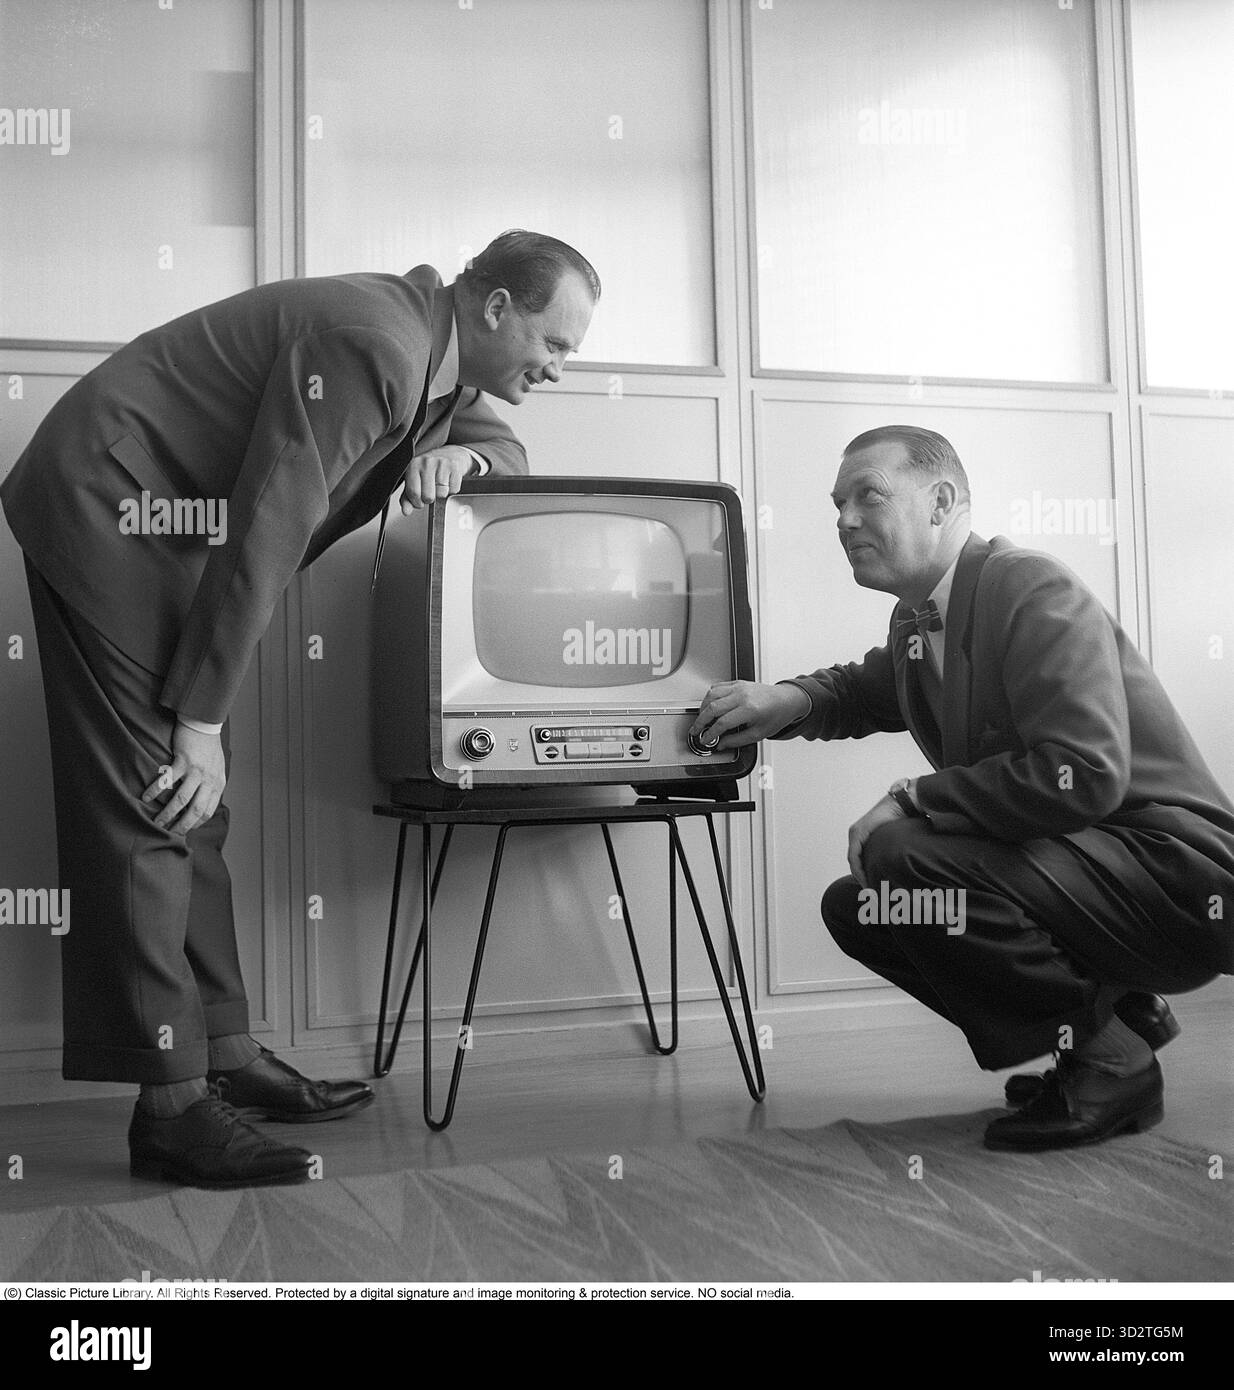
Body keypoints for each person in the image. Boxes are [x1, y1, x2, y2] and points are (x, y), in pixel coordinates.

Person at [2, 229, 599, 1187]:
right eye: (556, 345)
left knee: (196, 805)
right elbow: (269, 527)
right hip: (106, 503)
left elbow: (502, 443)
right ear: (495, 309)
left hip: (168, 531)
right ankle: (171, 1111)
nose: (561, 367)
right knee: (155, 799)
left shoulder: (438, 362)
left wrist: (469, 465)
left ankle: (224, 1053)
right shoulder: (381, 347)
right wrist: (199, 723)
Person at [692, 425, 1233, 1151]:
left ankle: (1112, 1059)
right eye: (838, 504)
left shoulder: (1029, 588)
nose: (845, 520)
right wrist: (785, 700)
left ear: (942, 500)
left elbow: (1084, 773)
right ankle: (1110, 1018)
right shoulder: (923, 618)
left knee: (900, 854)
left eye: (868, 496)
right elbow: (861, 690)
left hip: (1172, 874)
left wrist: (912, 795)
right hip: (1092, 872)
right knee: (865, 908)